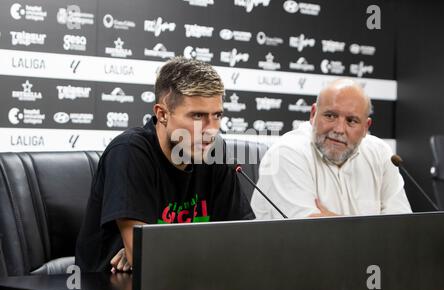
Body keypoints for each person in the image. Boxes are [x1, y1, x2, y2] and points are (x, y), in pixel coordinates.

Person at [76, 57, 255, 273]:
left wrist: (156, 250)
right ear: (162, 114)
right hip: (111, 289)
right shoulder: (129, 151)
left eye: (217, 116)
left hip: (186, 284)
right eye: (197, 116)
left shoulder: (214, 151)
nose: (211, 129)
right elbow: (147, 259)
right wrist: (146, 252)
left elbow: (244, 245)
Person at [251, 78, 412, 219]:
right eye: (330, 116)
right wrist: (374, 226)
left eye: (351, 121)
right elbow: (308, 237)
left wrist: (334, 221)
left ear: (365, 127)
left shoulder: (381, 154)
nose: (339, 129)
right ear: (313, 114)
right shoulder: (287, 153)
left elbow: (402, 229)